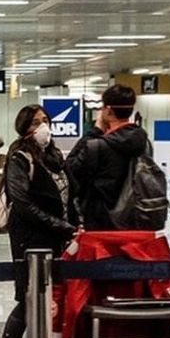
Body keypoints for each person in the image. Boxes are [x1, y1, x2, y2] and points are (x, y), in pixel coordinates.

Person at [0, 105, 76, 338]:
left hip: (58, 238)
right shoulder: (19, 157)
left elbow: (70, 195)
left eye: (46, 120)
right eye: (36, 122)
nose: (43, 127)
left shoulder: (56, 158)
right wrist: (61, 226)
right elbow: (22, 204)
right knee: (29, 300)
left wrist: (74, 224)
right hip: (30, 239)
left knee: (57, 296)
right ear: (24, 127)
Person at [65, 84, 148, 230]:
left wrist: (95, 131)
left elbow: (70, 170)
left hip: (101, 223)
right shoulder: (143, 142)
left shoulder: (97, 146)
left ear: (108, 111)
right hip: (135, 219)